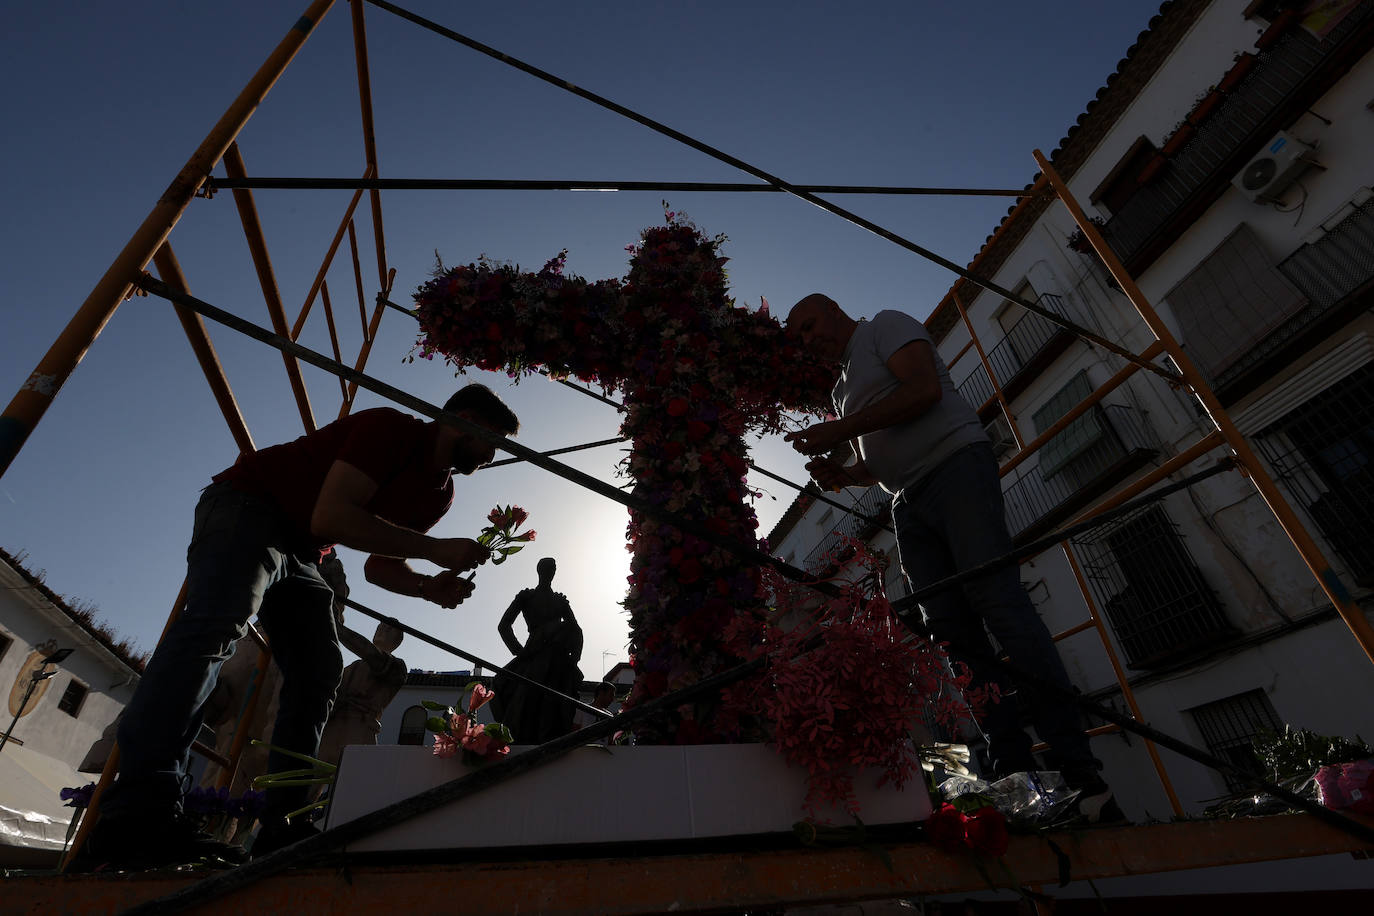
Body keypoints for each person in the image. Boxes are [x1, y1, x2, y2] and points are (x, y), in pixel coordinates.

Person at [83, 383, 520, 868]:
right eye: (492, 438)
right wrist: (436, 551)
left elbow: (379, 565)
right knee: (214, 628)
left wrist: (426, 588)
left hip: (302, 550)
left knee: (319, 670)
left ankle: (281, 826)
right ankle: (138, 812)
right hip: (250, 504)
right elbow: (333, 513)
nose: (494, 453)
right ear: (462, 419)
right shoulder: (391, 428)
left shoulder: (440, 493)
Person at [784, 294, 1123, 824]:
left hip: (956, 465)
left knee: (999, 603)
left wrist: (839, 433)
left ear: (833, 311)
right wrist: (846, 475)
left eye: (808, 327)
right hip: (907, 499)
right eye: (798, 337)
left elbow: (924, 391)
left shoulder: (887, 323)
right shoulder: (840, 387)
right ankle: (1012, 774)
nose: (807, 341)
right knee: (949, 631)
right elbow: (880, 456)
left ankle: (1079, 770)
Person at [491, 557, 585, 745]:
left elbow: (576, 630)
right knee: (504, 685)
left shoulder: (560, 601)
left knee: (549, 703)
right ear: (539, 571)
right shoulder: (527, 597)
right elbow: (504, 625)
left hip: (556, 658)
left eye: (553, 568)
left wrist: (573, 660)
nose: (550, 571)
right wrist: (519, 650)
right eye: (547, 568)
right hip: (533, 654)